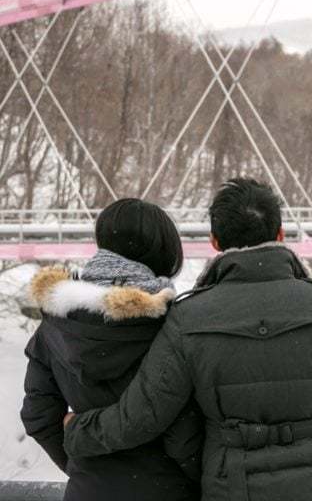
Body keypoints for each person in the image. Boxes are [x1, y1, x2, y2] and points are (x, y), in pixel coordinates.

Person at [63, 178, 312, 501]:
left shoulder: (190, 316)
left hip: (230, 487)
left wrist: (78, 431)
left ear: (215, 241)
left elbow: (145, 415)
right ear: (281, 234)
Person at [21, 198, 202, 501]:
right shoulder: (171, 325)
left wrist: (85, 467)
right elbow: (183, 429)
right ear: (164, 250)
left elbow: (38, 416)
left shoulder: (55, 324)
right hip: (167, 489)